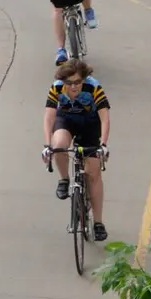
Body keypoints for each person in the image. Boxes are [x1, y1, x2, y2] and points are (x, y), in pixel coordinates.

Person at [42, 59, 110, 241]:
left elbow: (104, 118)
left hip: (89, 125)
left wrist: (103, 144)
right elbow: (49, 118)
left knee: (94, 173)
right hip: (66, 122)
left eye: (78, 82)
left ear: (84, 79)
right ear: (63, 82)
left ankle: (98, 223)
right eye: (69, 83)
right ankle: (64, 179)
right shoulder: (56, 88)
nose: (73, 87)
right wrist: (47, 146)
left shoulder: (93, 87)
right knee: (59, 146)